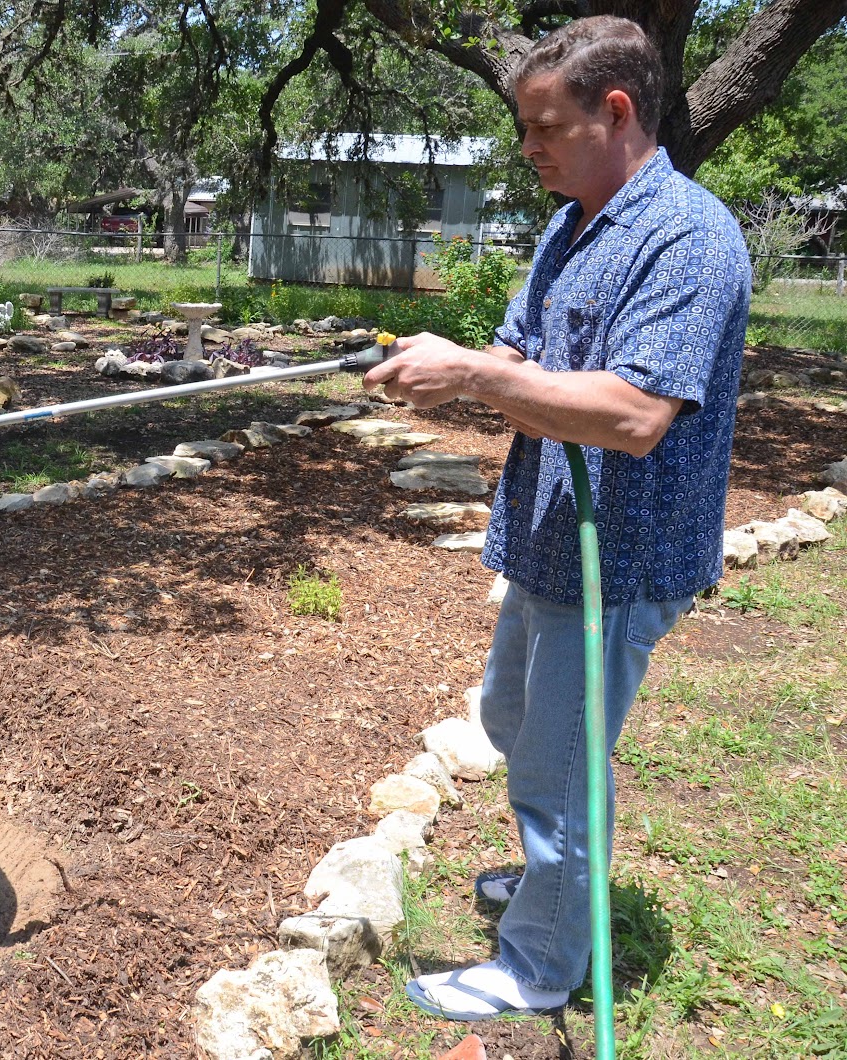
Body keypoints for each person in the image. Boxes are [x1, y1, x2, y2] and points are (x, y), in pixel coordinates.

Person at [363, 16, 750, 1020]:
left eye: (542, 127)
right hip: (542, 539)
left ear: (613, 112)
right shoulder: (571, 217)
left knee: (558, 768)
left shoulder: (689, 237)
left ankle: (536, 966)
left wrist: (478, 373)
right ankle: (553, 879)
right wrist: (457, 370)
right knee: (507, 719)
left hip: (615, 562)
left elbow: (631, 414)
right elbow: (520, 359)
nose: (527, 148)